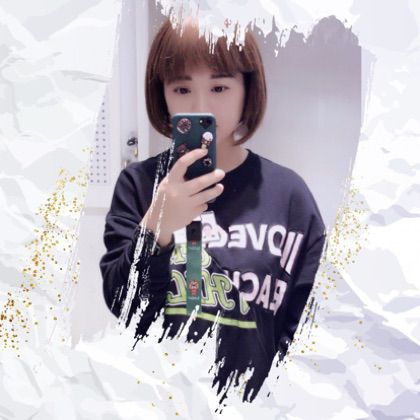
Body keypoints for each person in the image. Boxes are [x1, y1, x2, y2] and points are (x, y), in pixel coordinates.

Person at [100, 17, 326, 402]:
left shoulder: (288, 195)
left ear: (247, 90)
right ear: (162, 94)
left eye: (219, 87)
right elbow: (122, 304)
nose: (200, 106)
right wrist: (158, 227)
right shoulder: (138, 186)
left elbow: (308, 322)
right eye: (182, 88)